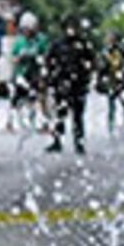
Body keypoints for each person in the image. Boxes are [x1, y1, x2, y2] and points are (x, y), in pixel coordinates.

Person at [44, 24, 96, 152]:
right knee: (60, 114)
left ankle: (79, 143)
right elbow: (49, 60)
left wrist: (86, 77)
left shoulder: (83, 44)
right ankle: (58, 141)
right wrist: (52, 78)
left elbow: (92, 61)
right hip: (62, 83)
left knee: (77, 116)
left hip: (78, 84)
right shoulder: (58, 44)